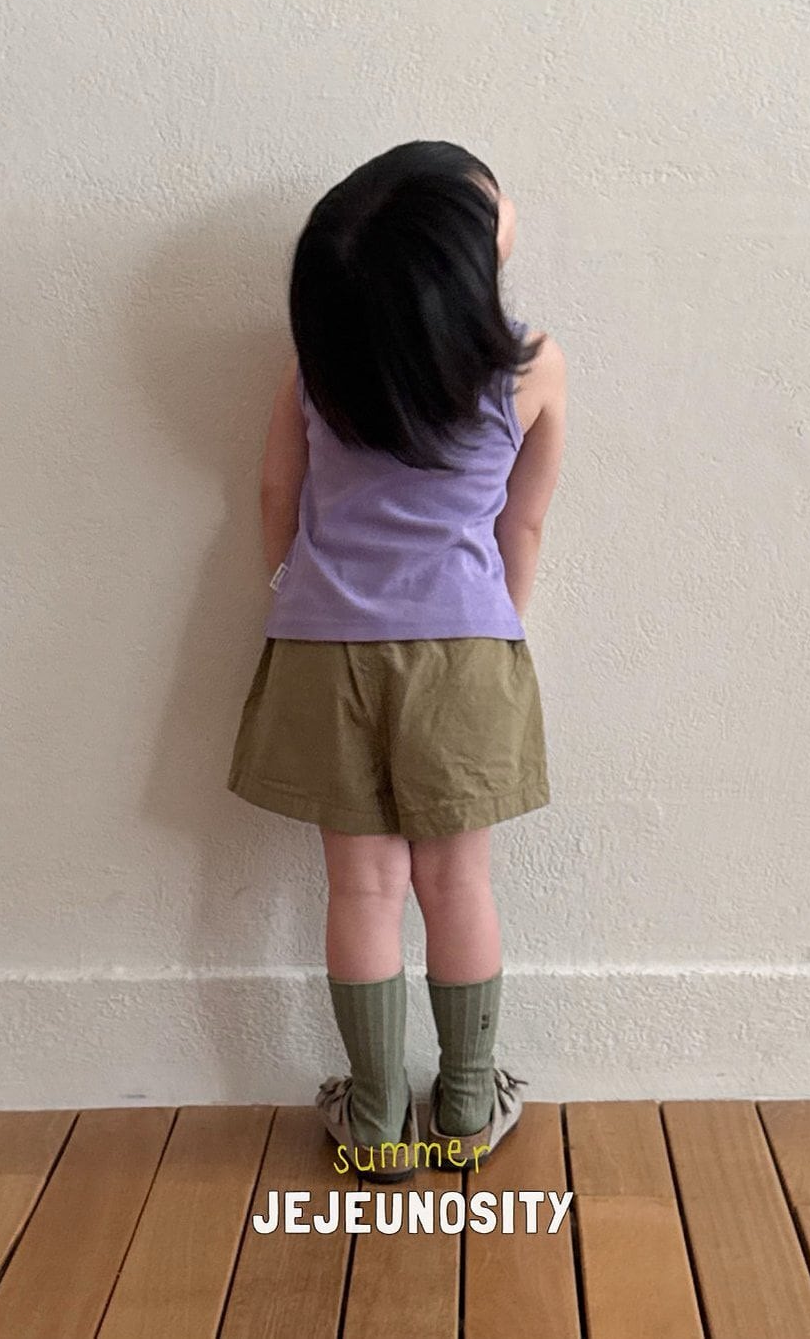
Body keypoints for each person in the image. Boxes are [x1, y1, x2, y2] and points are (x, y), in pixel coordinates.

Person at [226, 140, 566, 1182]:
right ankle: (465, 1102)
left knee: (362, 887)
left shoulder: (317, 362)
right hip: (466, 647)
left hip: (324, 647)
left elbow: (275, 495)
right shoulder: (530, 364)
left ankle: (374, 1119)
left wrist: (289, 584)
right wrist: (491, 620)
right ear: (468, 257)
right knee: (457, 881)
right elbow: (524, 521)